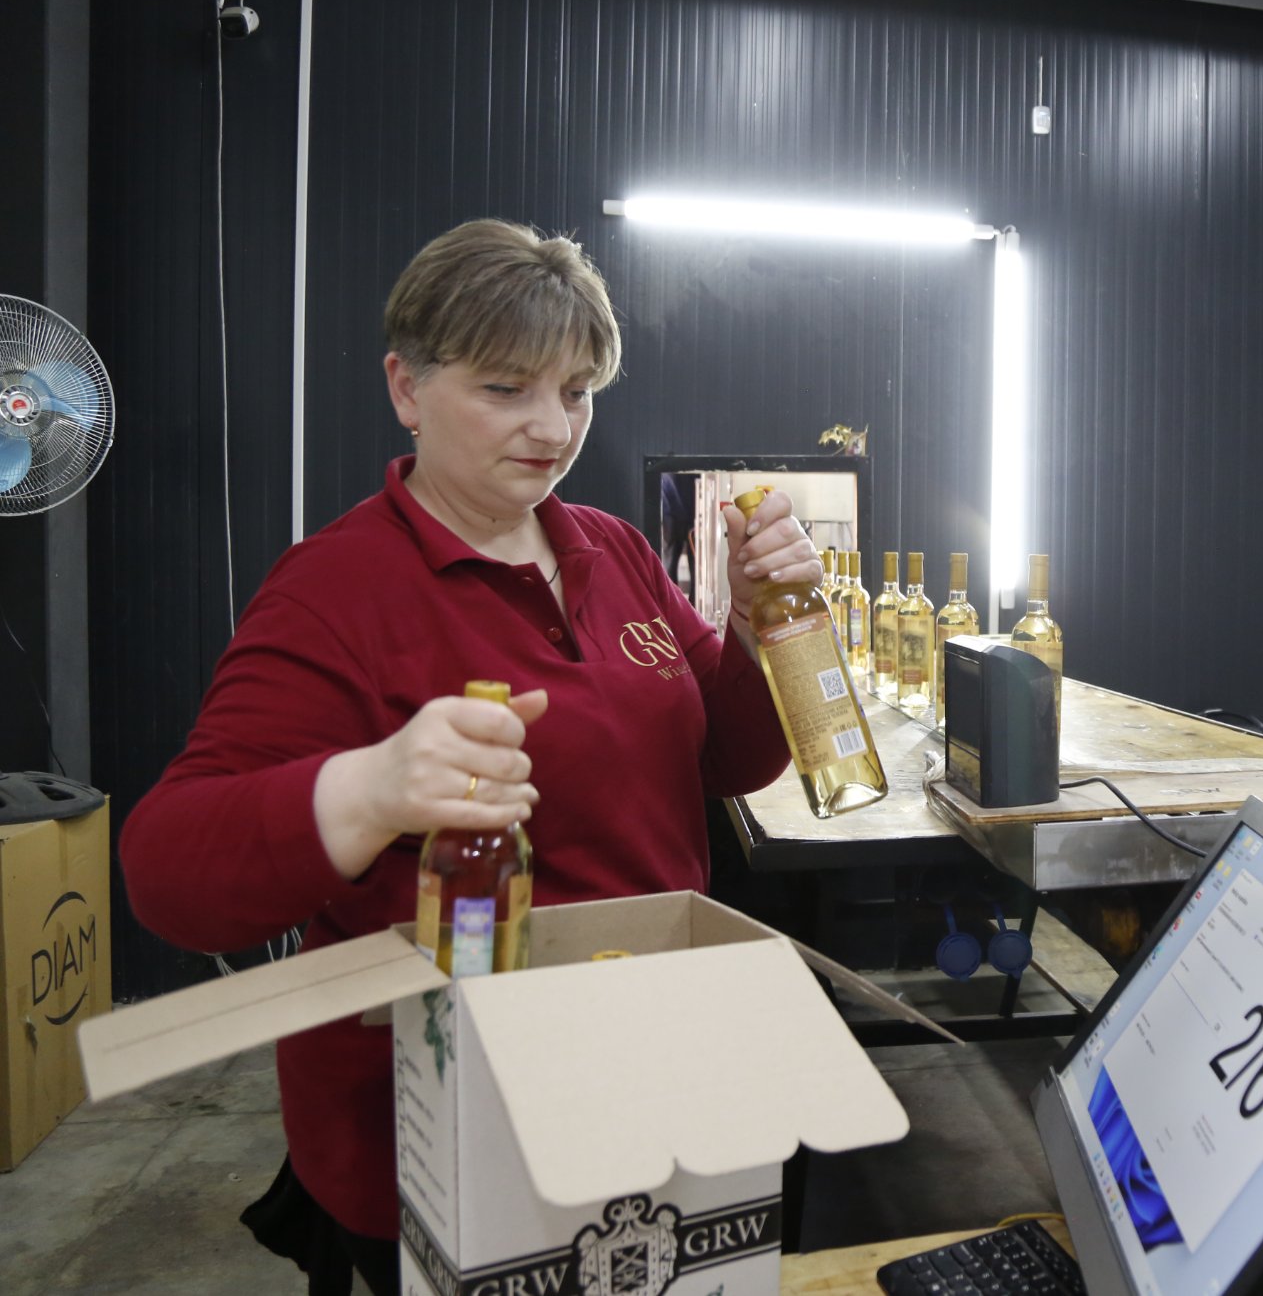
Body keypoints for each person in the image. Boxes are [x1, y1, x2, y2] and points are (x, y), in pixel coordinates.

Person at [119, 219, 814, 1294]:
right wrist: (370, 789)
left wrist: (763, 628)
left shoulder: (615, 549)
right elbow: (169, 870)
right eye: (505, 388)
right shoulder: (334, 590)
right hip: (441, 1123)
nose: (552, 428)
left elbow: (726, 758)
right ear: (406, 387)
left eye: (576, 391)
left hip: (641, 1066)